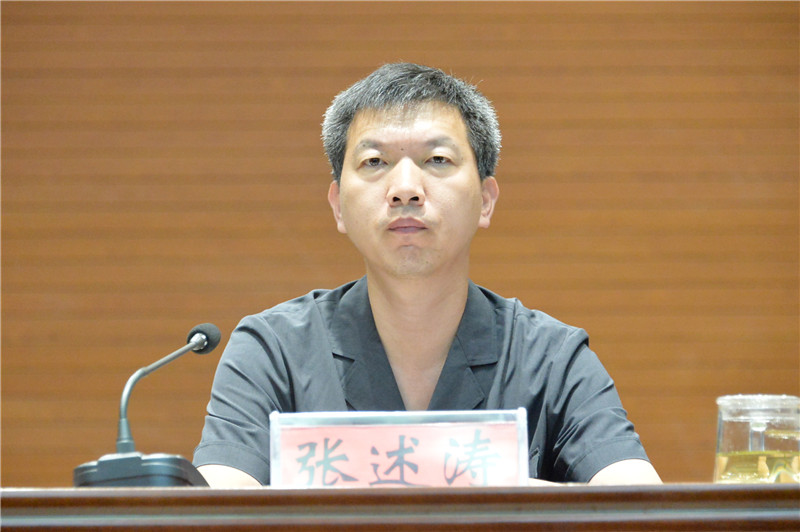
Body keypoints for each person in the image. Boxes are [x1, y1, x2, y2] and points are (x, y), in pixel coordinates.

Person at [193, 63, 662, 488]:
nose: (404, 189)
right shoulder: (274, 350)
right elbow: (216, 509)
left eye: (437, 160)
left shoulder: (550, 358)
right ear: (338, 206)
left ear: (486, 200)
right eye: (374, 162)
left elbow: (639, 508)